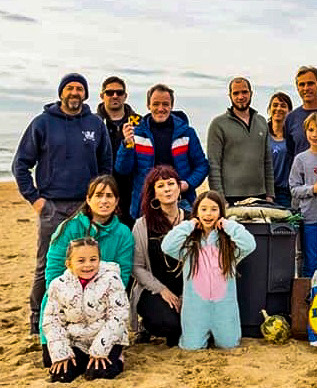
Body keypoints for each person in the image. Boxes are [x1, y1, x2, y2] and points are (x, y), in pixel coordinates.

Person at [13, 73, 113, 334]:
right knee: (48, 263)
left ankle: (83, 316)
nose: (74, 92)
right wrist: (35, 199)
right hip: (52, 206)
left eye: (79, 88)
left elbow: (106, 164)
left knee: (88, 262)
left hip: (86, 207)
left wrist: (98, 198)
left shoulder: (95, 124)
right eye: (70, 88)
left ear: (85, 94)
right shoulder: (42, 123)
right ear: (61, 93)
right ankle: (38, 318)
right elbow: (20, 165)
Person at [41, 175, 134, 341]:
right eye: (98, 195)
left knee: (103, 354)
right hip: (66, 304)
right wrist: (71, 302)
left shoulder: (124, 233)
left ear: (117, 201)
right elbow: (54, 270)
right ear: (88, 200)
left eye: (109, 196)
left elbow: (123, 275)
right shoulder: (69, 227)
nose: (104, 201)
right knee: (58, 355)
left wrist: (98, 301)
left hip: (103, 306)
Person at [161, 191, 256, 350]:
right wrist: (189, 224)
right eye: (203, 209)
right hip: (195, 309)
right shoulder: (190, 244)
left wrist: (228, 225)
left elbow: (250, 244)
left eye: (214, 209)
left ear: (220, 212)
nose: (208, 214)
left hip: (224, 308)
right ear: (197, 212)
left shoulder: (228, 244)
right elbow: (167, 246)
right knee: (191, 347)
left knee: (229, 345)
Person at [116, 83, 209, 220]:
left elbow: (202, 165)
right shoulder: (137, 133)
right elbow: (122, 169)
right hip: (146, 203)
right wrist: (127, 144)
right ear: (148, 105)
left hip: (181, 202)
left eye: (165, 104)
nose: (160, 108)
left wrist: (188, 184)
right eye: (156, 104)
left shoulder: (187, 133)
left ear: (172, 105)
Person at [41, 237, 128, 383]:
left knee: (99, 373)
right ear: (69, 263)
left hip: (107, 339)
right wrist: (61, 353)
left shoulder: (112, 280)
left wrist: (100, 350)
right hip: (76, 341)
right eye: (81, 261)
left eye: (93, 259)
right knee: (61, 375)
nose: (88, 265)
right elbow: (52, 320)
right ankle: (83, 361)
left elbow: (118, 315)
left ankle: (117, 358)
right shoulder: (58, 285)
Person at [130, 166, 187, 347]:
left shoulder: (192, 221)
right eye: (161, 186)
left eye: (171, 184)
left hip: (188, 291)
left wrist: (186, 295)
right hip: (154, 290)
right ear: (153, 193)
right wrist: (162, 290)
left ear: (179, 188)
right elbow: (136, 267)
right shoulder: (142, 225)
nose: (167, 189)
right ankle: (147, 326)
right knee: (168, 324)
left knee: (186, 330)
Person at [207, 77, 275, 206]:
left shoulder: (261, 122)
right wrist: (220, 198)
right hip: (230, 197)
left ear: (251, 93)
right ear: (230, 96)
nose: (240, 97)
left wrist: (270, 194)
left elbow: (267, 161)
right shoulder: (218, 124)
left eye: (244, 92)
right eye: (236, 93)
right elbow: (214, 164)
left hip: (260, 195)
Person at [96, 76, 141, 228]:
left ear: (125, 96)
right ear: (102, 95)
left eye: (119, 92)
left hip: (132, 193)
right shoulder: (93, 123)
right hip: (101, 192)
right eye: (110, 93)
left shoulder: (139, 123)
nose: (115, 96)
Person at [289, 112, 317, 277]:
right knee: (311, 262)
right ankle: (309, 292)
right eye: (311, 130)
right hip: (311, 219)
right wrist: (313, 189)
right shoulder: (301, 159)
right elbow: (294, 188)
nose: (315, 134)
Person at [285, 66, 317, 159]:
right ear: (297, 89)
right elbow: (290, 154)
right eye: (302, 85)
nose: (306, 88)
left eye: (310, 83)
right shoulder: (291, 118)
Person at [267, 92, 294, 207]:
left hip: (285, 192)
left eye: (283, 106)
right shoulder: (262, 133)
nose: (278, 109)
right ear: (269, 109)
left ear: (289, 111)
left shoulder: (293, 136)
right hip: (264, 191)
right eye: (275, 105)